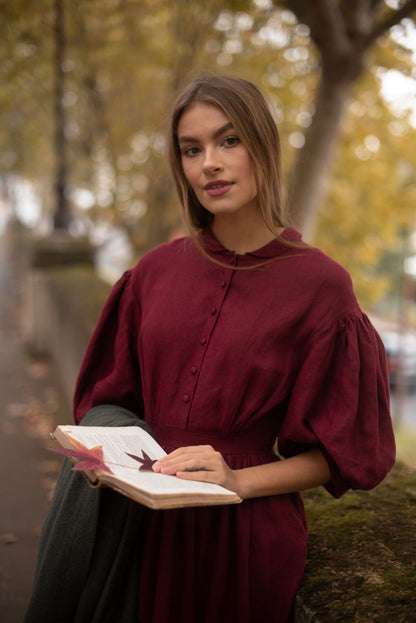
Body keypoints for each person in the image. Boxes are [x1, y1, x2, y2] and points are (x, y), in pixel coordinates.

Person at [28, 74, 396, 623]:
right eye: (191, 150)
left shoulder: (322, 286)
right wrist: (97, 457)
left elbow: (344, 453)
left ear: (262, 147)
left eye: (229, 141)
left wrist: (238, 480)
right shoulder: (151, 273)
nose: (210, 164)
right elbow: (110, 406)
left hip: (242, 538)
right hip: (138, 525)